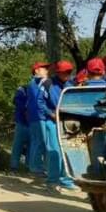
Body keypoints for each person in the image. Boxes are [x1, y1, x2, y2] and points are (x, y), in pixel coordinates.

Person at [43, 60, 79, 192]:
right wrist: (50, 113)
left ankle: (66, 180)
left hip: (68, 121)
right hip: (52, 121)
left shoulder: (71, 84)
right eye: (64, 72)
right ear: (58, 72)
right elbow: (39, 103)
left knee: (68, 150)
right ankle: (52, 181)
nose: (67, 74)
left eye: (69, 71)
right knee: (55, 152)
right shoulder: (48, 84)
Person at [25, 62, 51, 176]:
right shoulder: (36, 83)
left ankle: (34, 167)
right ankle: (36, 168)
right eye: (44, 68)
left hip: (34, 116)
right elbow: (39, 100)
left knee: (36, 142)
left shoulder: (32, 83)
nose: (46, 71)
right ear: (36, 71)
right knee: (40, 142)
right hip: (38, 116)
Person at [8, 79, 31, 174]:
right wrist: (26, 109)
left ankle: (29, 168)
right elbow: (17, 101)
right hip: (21, 122)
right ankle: (13, 168)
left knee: (32, 146)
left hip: (33, 123)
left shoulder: (42, 89)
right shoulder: (22, 89)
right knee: (17, 145)